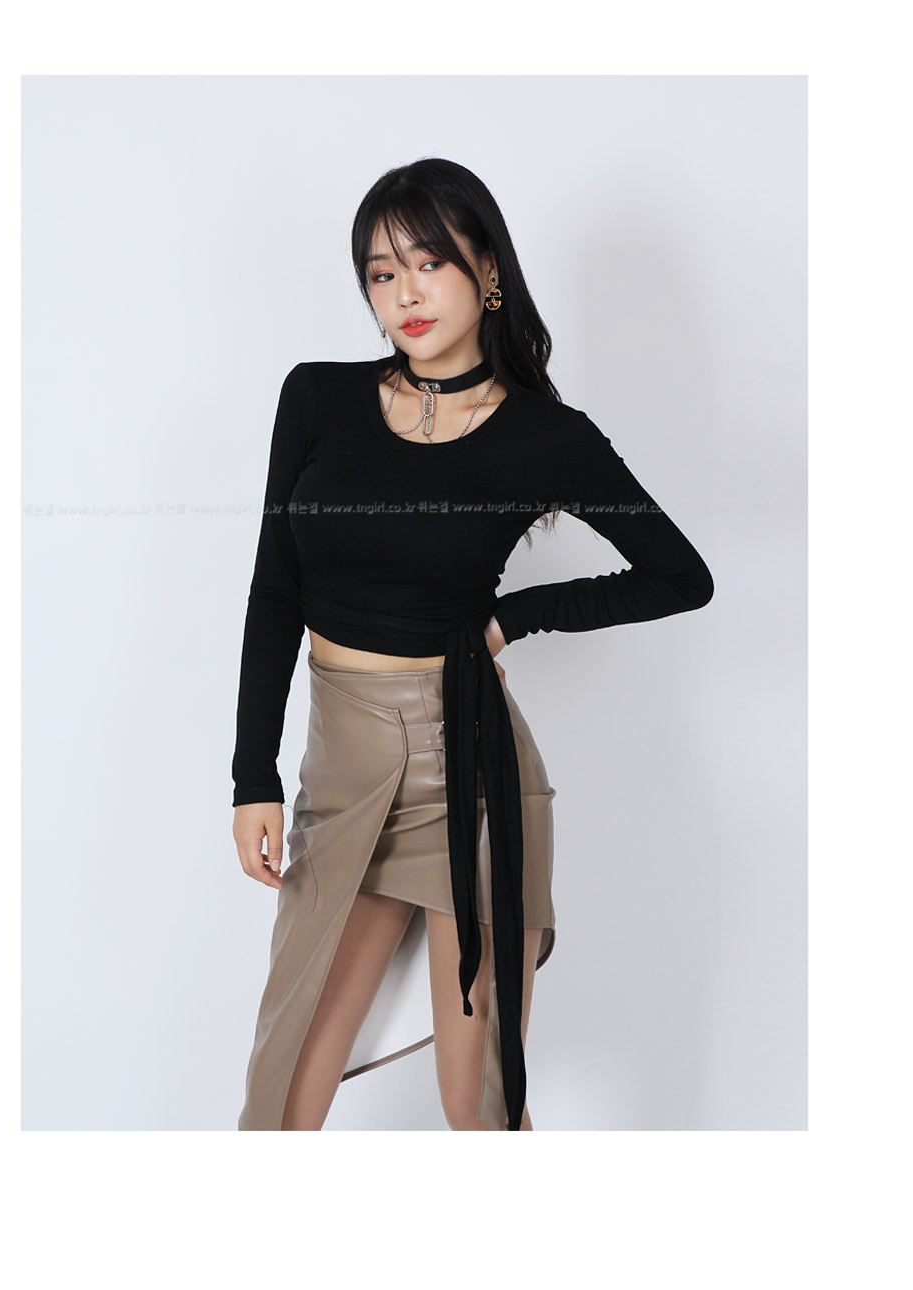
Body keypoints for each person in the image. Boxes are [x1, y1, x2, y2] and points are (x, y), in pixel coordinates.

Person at [231, 157, 714, 1131]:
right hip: (341, 767)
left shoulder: (546, 436)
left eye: (429, 264)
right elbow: (275, 589)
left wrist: (513, 618)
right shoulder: (316, 398)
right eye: (381, 273)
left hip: (474, 773)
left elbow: (680, 576)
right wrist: (253, 777)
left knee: (481, 1105)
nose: (404, 294)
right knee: (282, 1098)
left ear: (487, 270)